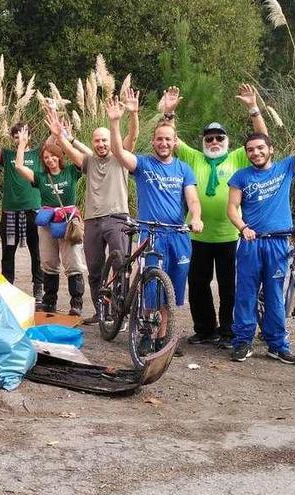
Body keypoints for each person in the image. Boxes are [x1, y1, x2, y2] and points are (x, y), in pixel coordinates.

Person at [227, 89, 295, 364]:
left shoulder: (285, 168)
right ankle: (242, 342)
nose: (256, 152)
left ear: (270, 149)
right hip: (251, 242)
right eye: (250, 150)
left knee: (274, 295)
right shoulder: (241, 176)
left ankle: (277, 344)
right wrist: (242, 227)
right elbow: (232, 209)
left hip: (277, 242)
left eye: (260, 148)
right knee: (246, 294)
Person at [163, 84, 269, 347]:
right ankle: (205, 329)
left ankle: (228, 331)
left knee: (228, 285)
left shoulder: (238, 158)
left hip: (230, 236)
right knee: (197, 283)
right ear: (203, 142)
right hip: (197, 235)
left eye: (218, 138)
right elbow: (170, 138)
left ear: (227, 141)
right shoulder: (193, 157)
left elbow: (263, 140)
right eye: (209, 138)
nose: (213, 142)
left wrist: (253, 108)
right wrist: (169, 113)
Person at [108, 96, 203, 355]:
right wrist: (115, 123)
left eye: (168, 139)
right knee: (150, 288)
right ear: (154, 142)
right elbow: (118, 152)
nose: (163, 143)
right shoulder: (143, 164)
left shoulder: (184, 169)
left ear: (175, 143)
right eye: (159, 139)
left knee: (170, 288)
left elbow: (192, 198)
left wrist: (195, 218)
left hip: (178, 235)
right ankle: (146, 335)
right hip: (151, 233)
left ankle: (162, 336)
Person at [53, 91, 139, 325]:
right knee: (94, 269)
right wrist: (59, 135)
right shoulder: (88, 161)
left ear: (111, 141)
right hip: (92, 221)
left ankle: (121, 310)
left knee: (120, 265)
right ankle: (102, 311)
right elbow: (70, 151)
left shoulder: (121, 158)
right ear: (92, 143)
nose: (101, 144)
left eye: (105, 140)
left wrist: (132, 115)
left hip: (117, 219)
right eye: (97, 141)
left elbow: (132, 136)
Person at [0, 102, 62, 304]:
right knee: (7, 253)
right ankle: (7, 287)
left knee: (37, 253)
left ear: (29, 136)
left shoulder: (38, 153)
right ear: (13, 138)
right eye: (16, 135)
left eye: (23, 134)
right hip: (10, 211)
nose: (20, 138)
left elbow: (53, 137)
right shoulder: (8, 155)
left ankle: (38, 288)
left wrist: (52, 111)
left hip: (34, 211)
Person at [13, 126, 87, 315]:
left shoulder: (71, 172)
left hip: (68, 222)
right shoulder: (40, 177)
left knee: (73, 262)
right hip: (47, 223)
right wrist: (21, 145)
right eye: (46, 158)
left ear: (60, 157)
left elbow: (82, 159)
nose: (50, 160)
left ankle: (76, 303)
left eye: (53, 156)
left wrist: (66, 139)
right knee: (48, 261)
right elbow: (19, 167)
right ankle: (49, 301)